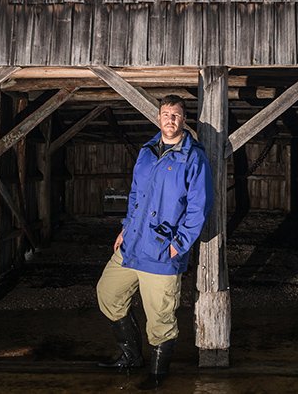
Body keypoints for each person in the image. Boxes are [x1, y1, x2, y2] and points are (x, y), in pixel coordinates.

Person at [96, 94, 213, 389]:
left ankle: (158, 376)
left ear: (183, 119)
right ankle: (130, 355)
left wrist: (178, 244)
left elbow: (199, 208)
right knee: (108, 294)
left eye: (175, 115)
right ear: (158, 117)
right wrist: (125, 227)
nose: (170, 119)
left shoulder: (193, 157)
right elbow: (136, 194)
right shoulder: (147, 152)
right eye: (165, 114)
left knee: (160, 319)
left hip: (161, 251)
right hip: (133, 242)